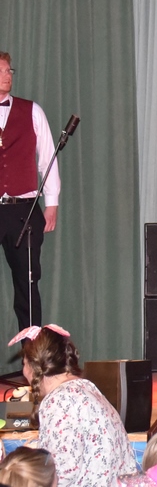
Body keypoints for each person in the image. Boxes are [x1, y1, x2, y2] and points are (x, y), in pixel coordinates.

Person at [12, 324, 138, 487]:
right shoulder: (85, 388)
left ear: (34, 367)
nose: (24, 372)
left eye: (24, 364)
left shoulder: (60, 401)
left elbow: (61, 473)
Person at [0, 52, 59, 331]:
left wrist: (52, 203)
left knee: (27, 282)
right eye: (1, 71)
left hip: (23, 209)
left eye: (9, 70)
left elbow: (48, 158)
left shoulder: (32, 111)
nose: (7, 75)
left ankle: (33, 351)